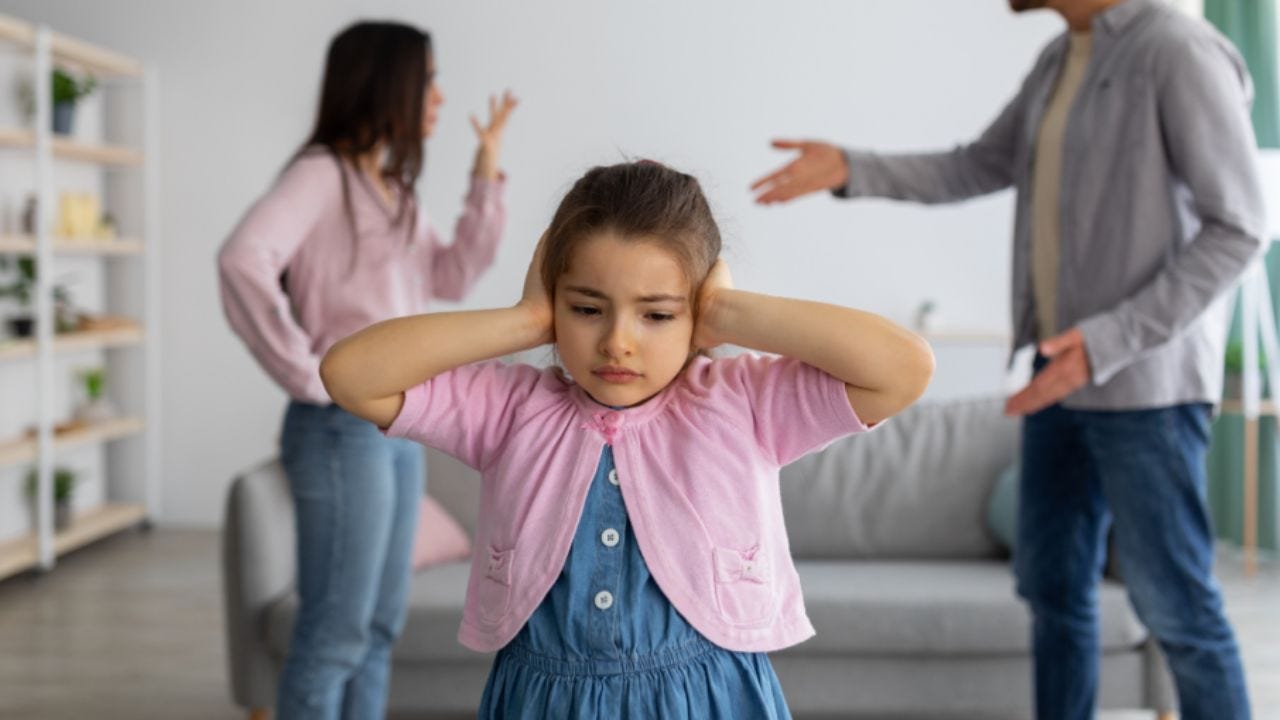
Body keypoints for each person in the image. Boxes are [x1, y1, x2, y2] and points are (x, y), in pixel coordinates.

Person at [750, 1, 1261, 718]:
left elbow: (1239, 228)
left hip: (1144, 392)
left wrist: (1108, 341)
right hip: (1054, 384)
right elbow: (975, 166)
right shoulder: (1059, 60)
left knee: (1178, 609)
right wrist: (852, 169)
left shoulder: (1176, 49)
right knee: (1054, 597)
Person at [319, 160, 935, 718]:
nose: (619, 341)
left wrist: (726, 310)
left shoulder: (743, 403)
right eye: (587, 309)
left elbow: (904, 368)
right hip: (542, 701)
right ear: (554, 301)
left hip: (713, 700)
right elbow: (350, 375)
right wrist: (523, 322)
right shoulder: (509, 410)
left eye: (658, 314)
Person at [217, 20, 516, 719]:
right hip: (341, 429)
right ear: (389, 84)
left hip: (395, 425)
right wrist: (310, 376)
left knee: (378, 629)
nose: (440, 96)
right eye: (430, 80)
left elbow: (453, 274)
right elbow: (242, 259)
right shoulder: (321, 174)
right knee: (336, 632)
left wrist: (486, 171)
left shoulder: (392, 190)